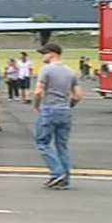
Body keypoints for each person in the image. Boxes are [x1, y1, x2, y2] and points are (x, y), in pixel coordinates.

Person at [33, 43, 82, 190]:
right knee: (62, 146)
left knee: (42, 143)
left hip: (50, 109)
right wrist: (69, 105)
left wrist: (36, 105)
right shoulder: (71, 72)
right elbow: (78, 96)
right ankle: (64, 178)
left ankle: (57, 172)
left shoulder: (46, 70)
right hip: (65, 111)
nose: (43, 56)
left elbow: (38, 92)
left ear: (52, 54)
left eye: (44, 53)